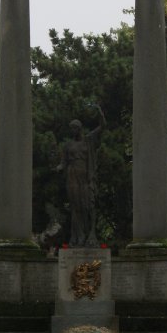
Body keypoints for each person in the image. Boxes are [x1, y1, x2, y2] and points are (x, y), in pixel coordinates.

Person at [57, 105, 105, 247]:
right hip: (72, 176)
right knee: (75, 207)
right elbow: (63, 162)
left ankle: (90, 235)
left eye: (75, 128)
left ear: (80, 128)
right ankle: (77, 237)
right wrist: (59, 167)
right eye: (71, 128)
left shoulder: (88, 140)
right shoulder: (68, 145)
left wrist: (100, 114)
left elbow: (102, 126)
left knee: (87, 206)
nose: (73, 131)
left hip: (85, 176)